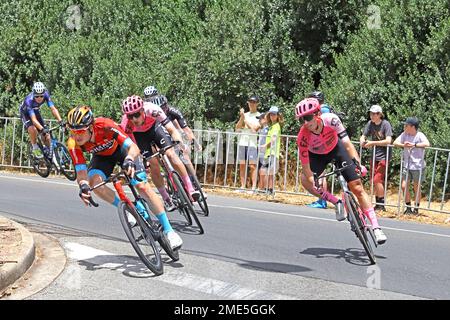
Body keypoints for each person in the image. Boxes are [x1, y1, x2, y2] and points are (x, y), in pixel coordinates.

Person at [66, 105, 183, 249]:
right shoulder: (72, 143)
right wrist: (83, 185)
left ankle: (169, 230)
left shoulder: (105, 125)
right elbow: (81, 173)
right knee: (94, 183)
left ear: (91, 127)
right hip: (102, 158)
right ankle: (129, 208)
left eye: (81, 131)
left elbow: (132, 147)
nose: (77, 136)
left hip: (123, 151)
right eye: (73, 131)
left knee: (141, 186)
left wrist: (129, 160)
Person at [296, 97, 387, 244]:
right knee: (305, 181)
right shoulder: (302, 137)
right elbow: (306, 167)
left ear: (317, 113)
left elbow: (347, 143)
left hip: (336, 149)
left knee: (357, 187)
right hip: (317, 156)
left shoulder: (331, 120)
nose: (306, 123)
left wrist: (358, 164)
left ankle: (376, 228)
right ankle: (336, 201)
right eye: (301, 120)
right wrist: (315, 183)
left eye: (308, 117)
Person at [119, 95, 200, 212]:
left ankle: (190, 188)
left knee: (171, 153)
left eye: (136, 115)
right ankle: (166, 198)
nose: (134, 119)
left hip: (155, 128)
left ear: (142, 110)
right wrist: (138, 160)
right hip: (139, 137)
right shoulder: (126, 124)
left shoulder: (152, 109)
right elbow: (130, 146)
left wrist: (178, 142)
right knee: (153, 164)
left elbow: (171, 129)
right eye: (130, 116)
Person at [393, 117, 430, 215]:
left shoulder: (420, 135)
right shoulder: (404, 134)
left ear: (412, 127)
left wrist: (414, 144)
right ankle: (408, 207)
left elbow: (427, 144)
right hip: (407, 165)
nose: (404, 126)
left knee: (416, 187)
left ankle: (416, 209)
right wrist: (404, 145)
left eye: (406, 125)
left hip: (418, 166)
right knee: (404, 186)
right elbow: (395, 142)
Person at [359, 104, 393, 212]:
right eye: (371, 113)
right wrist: (362, 139)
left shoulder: (385, 124)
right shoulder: (370, 124)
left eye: (374, 114)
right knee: (373, 180)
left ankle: (381, 204)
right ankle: (378, 203)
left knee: (377, 179)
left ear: (379, 114)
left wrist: (372, 142)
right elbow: (364, 135)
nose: (372, 116)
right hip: (374, 155)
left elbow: (388, 141)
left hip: (384, 156)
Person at [19, 82, 64, 159]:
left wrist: (60, 120)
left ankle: (50, 154)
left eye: (41, 96)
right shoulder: (29, 101)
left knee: (47, 136)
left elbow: (53, 109)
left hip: (35, 110)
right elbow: (33, 120)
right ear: (33, 94)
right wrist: (42, 129)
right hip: (25, 113)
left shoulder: (46, 95)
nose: (39, 98)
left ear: (44, 93)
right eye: (37, 96)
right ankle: (35, 147)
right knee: (33, 129)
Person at [307, 91, 331, 209]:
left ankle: (323, 200)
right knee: (321, 174)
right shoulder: (325, 108)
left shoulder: (322, 109)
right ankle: (322, 199)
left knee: (321, 174)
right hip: (324, 143)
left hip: (322, 144)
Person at [235, 95, 261, 193]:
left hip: (252, 143)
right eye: (250, 102)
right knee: (242, 165)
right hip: (243, 142)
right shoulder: (245, 114)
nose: (251, 104)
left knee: (252, 165)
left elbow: (254, 129)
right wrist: (242, 118)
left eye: (254, 102)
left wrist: (245, 120)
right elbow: (237, 128)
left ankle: (253, 187)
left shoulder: (259, 115)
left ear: (257, 104)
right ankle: (242, 186)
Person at [260, 106, 283, 195]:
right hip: (268, 152)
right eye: (271, 114)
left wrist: (265, 145)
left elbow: (273, 139)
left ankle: (270, 189)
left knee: (270, 172)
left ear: (278, 116)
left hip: (272, 152)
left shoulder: (276, 126)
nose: (272, 116)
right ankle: (267, 189)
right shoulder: (272, 126)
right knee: (266, 171)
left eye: (274, 114)